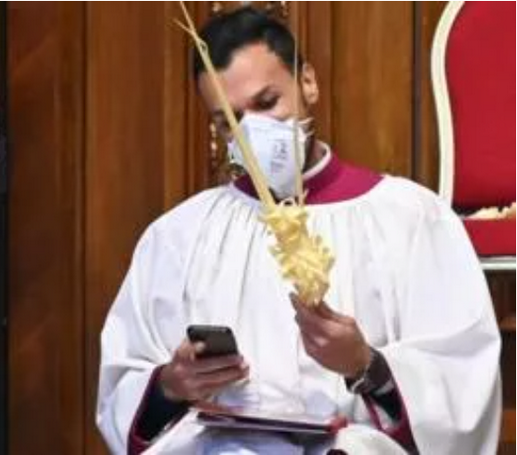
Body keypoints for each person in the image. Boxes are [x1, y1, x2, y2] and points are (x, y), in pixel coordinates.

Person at [96, 6, 501, 455]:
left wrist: (366, 365)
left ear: (307, 81)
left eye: (267, 103)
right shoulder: (178, 237)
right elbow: (123, 387)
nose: (252, 132)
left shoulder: (411, 218)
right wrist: (171, 385)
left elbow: (462, 380)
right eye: (227, 120)